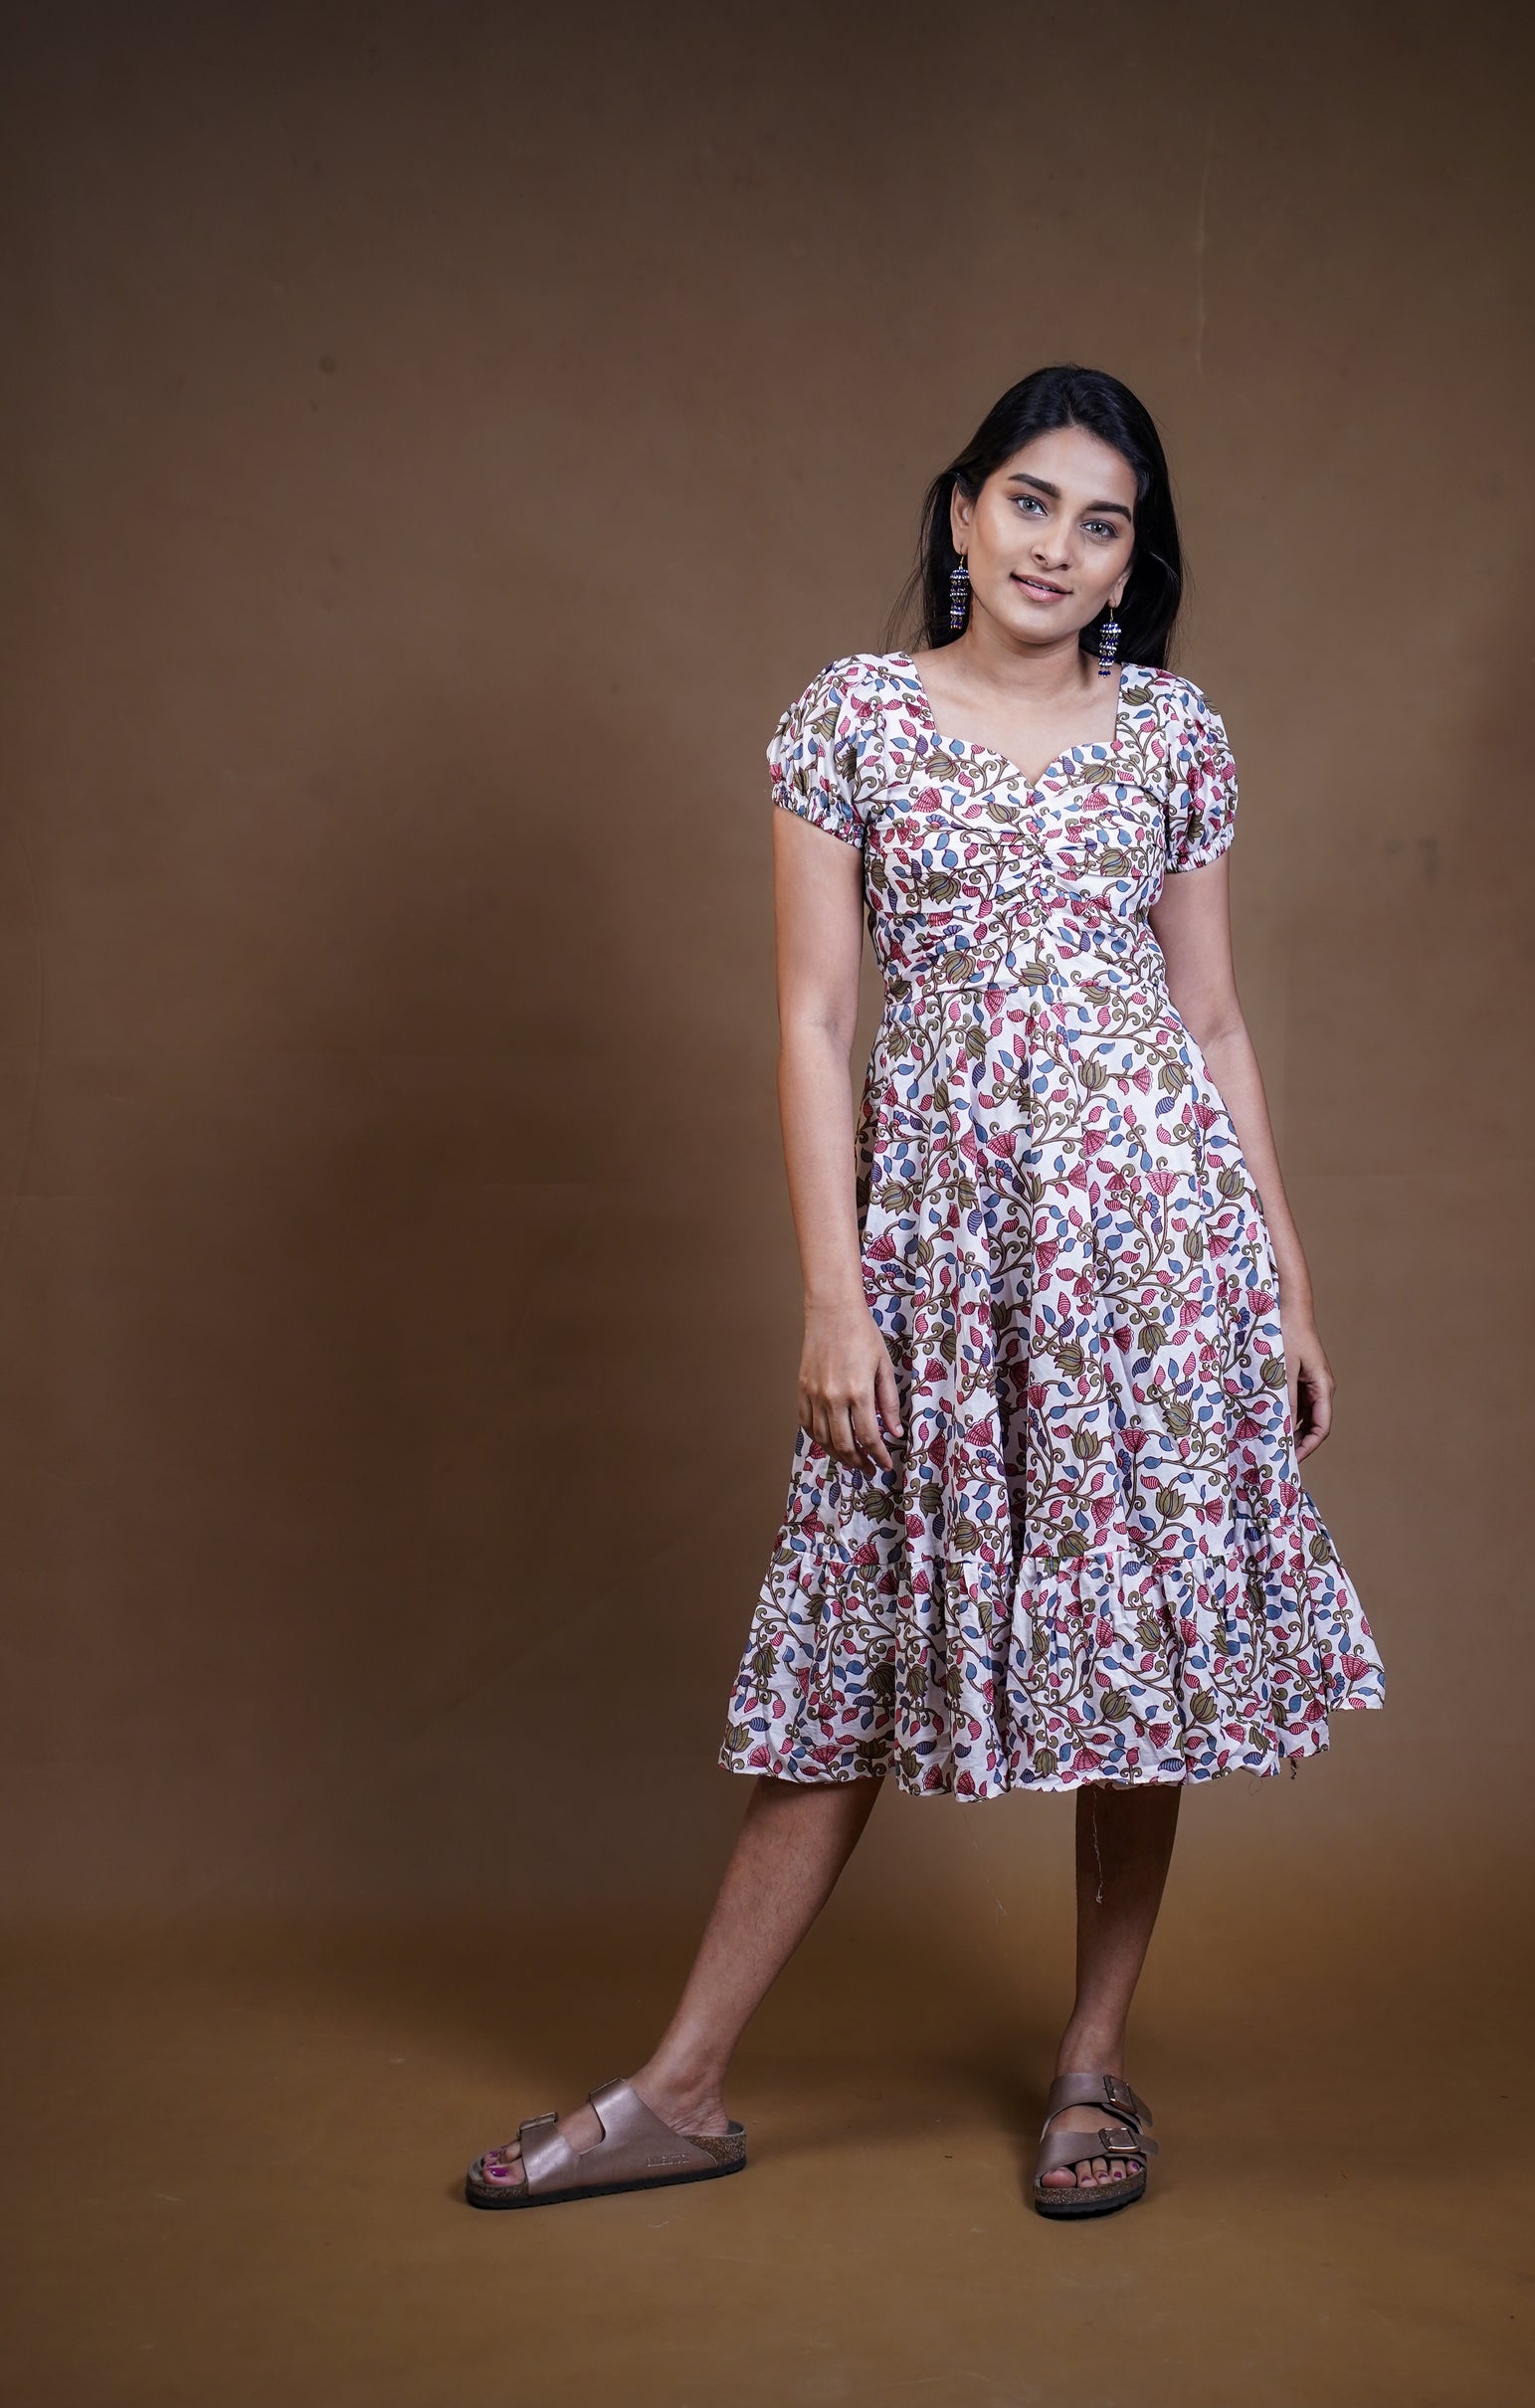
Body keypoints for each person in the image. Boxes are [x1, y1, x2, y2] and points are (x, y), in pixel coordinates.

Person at [466, 365, 1384, 2221]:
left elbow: (1211, 1021)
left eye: (1102, 524)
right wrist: (834, 1297)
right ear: (962, 510)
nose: (1058, 547)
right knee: (851, 1639)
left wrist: (1285, 1279)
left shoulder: (1173, 734)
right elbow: (814, 1023)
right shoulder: (852, 719)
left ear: (1131, 563)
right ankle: (680, 2087)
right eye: (1030, 501)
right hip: (941, 1265)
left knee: (1138, 1659)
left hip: (1159, 1253)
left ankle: (1091, 2067)